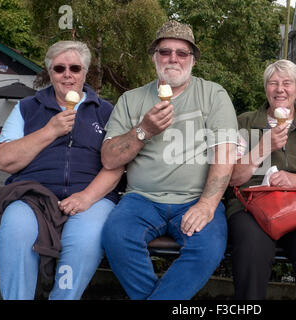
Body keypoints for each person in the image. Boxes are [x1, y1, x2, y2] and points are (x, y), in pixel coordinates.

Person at [100, 20, 238, 300]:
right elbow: (109, 158)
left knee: (208, 248)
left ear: (193, 60)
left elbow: (225, 153)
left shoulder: (213, 94)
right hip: (141, 198)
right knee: (116, 238)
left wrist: (207, 204)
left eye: (182, 52)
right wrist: (144, 131)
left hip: (194, 198)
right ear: (155, 57)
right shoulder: (132, 99)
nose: (173, 58)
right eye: (165, 51)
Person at [0, 40, 124, 299]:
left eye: (75, 68)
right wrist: (49, 130)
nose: (67, 74)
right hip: (32, 195)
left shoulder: (106, 111)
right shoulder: (27, 107)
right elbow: (4, 160)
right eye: (59, 68)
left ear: (85, 73)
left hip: (92, 197)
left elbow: (117, 164)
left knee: (86, 241)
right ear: (49, 72)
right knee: (14, 230)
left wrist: (86, 197)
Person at [226, 59, 296, 300]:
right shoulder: (245, 123)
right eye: (273, 83)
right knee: (250, 248)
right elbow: (233, 178)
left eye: (287, 83)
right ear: (266, 89)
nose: (279, 89)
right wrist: (263, 147)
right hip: (251, 208)